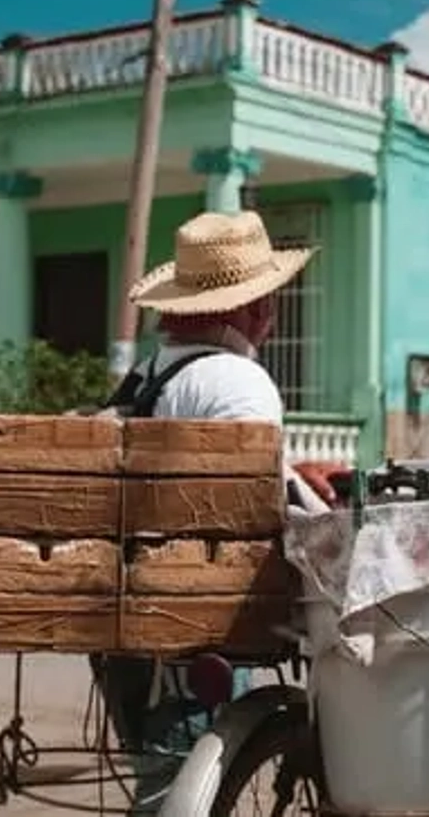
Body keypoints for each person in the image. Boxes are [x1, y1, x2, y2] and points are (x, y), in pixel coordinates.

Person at [92, 210, 347, 813]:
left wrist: (294, 474)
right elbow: (249, 507)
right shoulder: (240, 381)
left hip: (124, 618)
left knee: (161, 787)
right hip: (191, 621)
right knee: (174, 795)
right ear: (252, 310)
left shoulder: (146, 377)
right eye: (269, 301)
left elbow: (216, 466)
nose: (273, 314)